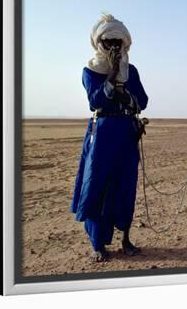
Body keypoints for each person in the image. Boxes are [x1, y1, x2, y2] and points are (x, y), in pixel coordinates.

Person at [70, 14, 148, 262]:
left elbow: (142, 101)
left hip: (125, 132)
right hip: (102, 133)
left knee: (125, 183)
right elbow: (96, 100)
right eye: (108, 42)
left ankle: (125, 238)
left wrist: (127, 97)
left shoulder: (131, 71)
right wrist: (112, 75)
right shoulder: (90, 71)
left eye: (118, 42)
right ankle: (97, 244)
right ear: (99, 43)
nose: (114, 47)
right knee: (97, 185)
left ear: (124, 44)